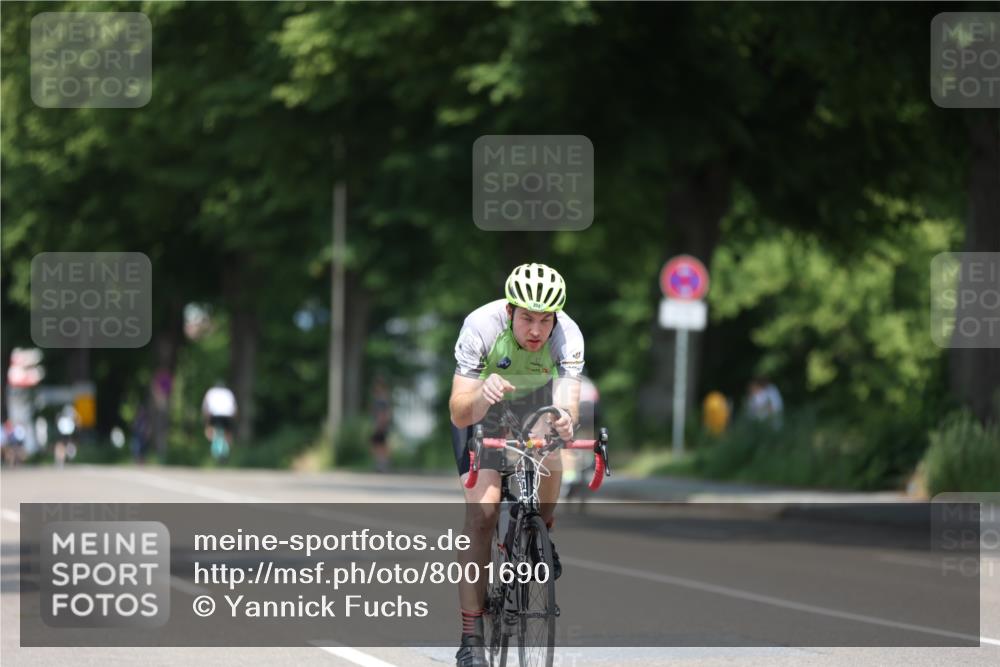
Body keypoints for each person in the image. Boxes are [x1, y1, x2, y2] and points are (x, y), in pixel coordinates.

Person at [449, 263, 583, 667]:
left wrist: (565, 420)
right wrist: (483, 396)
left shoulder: (569, 335)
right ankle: (471, 637)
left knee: (554, 450)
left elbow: (569, 404)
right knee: (484, 512)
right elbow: (458, 412)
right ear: (510, 312)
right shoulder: (480, 326)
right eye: (527, 318)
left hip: (536, 403)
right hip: (481, 408)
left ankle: (541, 530)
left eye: (545, 320)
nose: (536, 330)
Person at [201, 380, 237, 450]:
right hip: (227, 415)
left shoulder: (211, 391)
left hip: (214, 415)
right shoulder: (228, 392)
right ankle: (228, 448)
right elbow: (234, 407)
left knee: (208, 429)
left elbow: (205, 406)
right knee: (228, 432)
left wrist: (205, 419)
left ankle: (214, 444)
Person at [370, 376, 393, 473]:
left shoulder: (382, 399)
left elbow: (386, 413)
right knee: (379, 444)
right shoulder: (380, 398)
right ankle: (382, 463)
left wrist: (381, 424)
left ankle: (383, 464)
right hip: (379, 425)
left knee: (380, 445)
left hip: (381, 425)